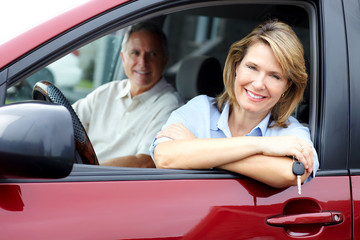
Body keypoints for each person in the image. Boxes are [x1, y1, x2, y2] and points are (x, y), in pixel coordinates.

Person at [150, 20, 319, 188]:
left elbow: (292, 173)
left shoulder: (293, 132)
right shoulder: (199, 109)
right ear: (237, 66)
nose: (259, 84)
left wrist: (198, 149)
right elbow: (164, 157)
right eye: (252, 67)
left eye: (275, 76)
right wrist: (262, 145)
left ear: (286, 86)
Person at [73, 22, 183, 167]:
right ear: (123, 57)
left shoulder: (171, 106)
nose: (143, 62)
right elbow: (65, 123)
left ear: (165, 61)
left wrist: (88, 172)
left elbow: (146, 161)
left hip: (111, 183)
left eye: (152, 54)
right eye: (135, 53)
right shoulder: (106, 92)